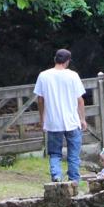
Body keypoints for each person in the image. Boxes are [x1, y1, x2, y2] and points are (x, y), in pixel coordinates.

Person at [34, 49, 87, 183]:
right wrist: (82, 119)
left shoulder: (43, 76)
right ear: (67, 61)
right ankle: (74, 179)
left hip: (53, 122)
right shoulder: (73, 75)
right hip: (72, 121)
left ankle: (57, 176)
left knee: (55, 153)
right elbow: (80, 100)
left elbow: (40, 100)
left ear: (55, 59)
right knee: (74, 154)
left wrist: (42, 119)